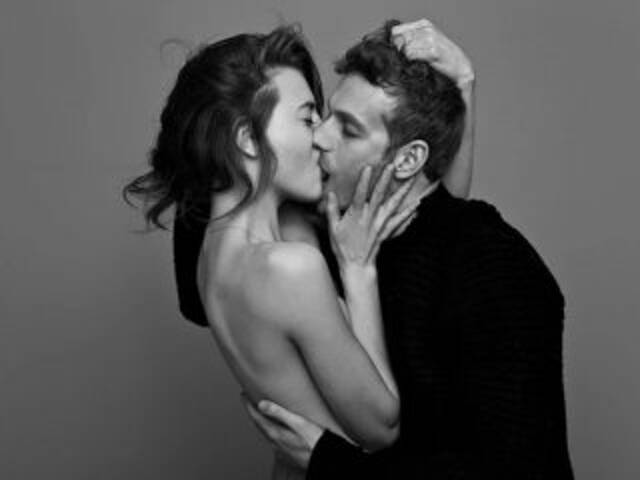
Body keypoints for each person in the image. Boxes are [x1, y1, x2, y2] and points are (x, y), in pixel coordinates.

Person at [242, 19, 575, 479]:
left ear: (409, 159)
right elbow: (200, 270)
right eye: (325, 115)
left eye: (349, 129)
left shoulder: (495, 267)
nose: (320, 136)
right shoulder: (321, 238)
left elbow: (510, 470)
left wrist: (330, 464)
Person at [124, 24, 440, 479]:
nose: (321, 136)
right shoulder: (288, 268)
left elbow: (433, 210)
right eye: (307, 119)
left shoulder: (211, 257)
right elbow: (382, 427)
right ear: (247, 138)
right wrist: (358, 270)